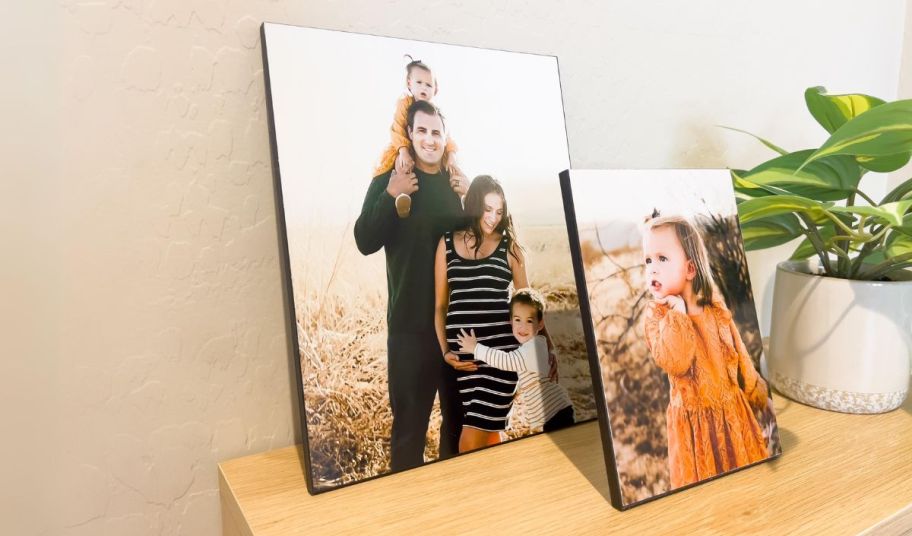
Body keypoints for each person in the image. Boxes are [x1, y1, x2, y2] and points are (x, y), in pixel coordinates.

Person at [354, 100, 468, 472]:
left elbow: (490, 239)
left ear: (445, 138)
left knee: (458, 432)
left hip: (458, 328)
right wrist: (391, 194)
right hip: (408, 331)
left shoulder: (457, 184)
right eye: (422, 131)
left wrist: (471, 198)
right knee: (408, 436)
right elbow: (364, 239)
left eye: (437, 132)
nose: (430, 140)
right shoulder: (392, 179)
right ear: (409, 134)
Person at [641, 213, 770, 488]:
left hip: (732, 415)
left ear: (689, 269)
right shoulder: (658, 317)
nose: (652, 268)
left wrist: (759, 394)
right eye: (648, 260)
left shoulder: (714, 309)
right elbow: (676, 360)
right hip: (695, 429)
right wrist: (677, 315)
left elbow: (739, 353)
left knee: (744, 482)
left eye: (662, 259)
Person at [433, 175, 554, 453]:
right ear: (474, 205)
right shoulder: (447, 244)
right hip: (466, 364)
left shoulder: (509, 248)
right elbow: (440, 306)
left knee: (469, 442)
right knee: (488, 436)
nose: (493, 218)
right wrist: (445, 351)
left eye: (499, 212)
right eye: (488, 209)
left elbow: (529, 303)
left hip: (501, 359)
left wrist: (549, 345)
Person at [455, 288, 574, 432]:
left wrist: (475, 348)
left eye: (529, 321)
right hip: (554, 413)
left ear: (540, 324)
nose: (522, 327)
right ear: (510, 321)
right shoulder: (533, 344)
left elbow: (506, 360)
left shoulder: (533, 347)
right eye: (518, 320)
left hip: (556, 413)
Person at [373, 56, 464, 217]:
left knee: (449, 170)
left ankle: (458, 199)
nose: (424, 88)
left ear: (435, 90)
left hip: (427, 159)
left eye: (428, 85)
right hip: (401, 146)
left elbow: (447, 138)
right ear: (409, 84)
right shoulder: (404, 103)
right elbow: (397, 129)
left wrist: (451, 155)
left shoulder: (435, 113)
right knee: (400, 166)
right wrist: (403, 151)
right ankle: (402, 198)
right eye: (419, 83)